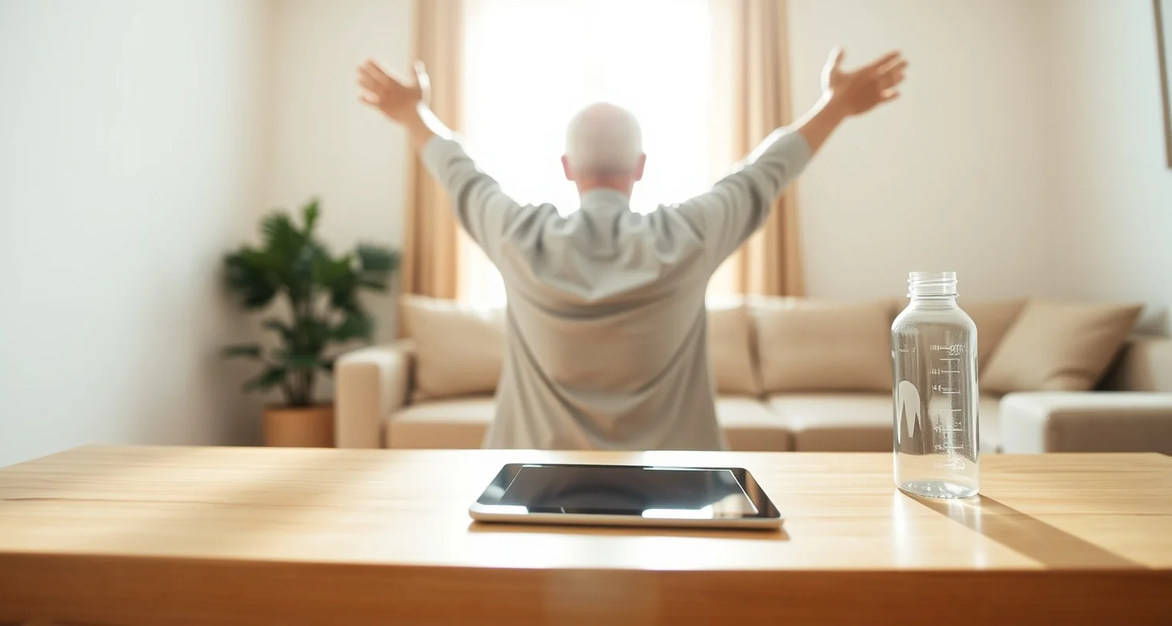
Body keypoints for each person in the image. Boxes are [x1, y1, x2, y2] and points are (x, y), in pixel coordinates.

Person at [356, 47, 907, 450]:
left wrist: (411, 112)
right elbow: (763, 173)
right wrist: (834, 106)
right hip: (674, 494)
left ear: (567, 169)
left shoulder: (516, 235)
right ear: (641, 167)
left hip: (533, 493)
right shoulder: (689, 235)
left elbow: (460, 171)